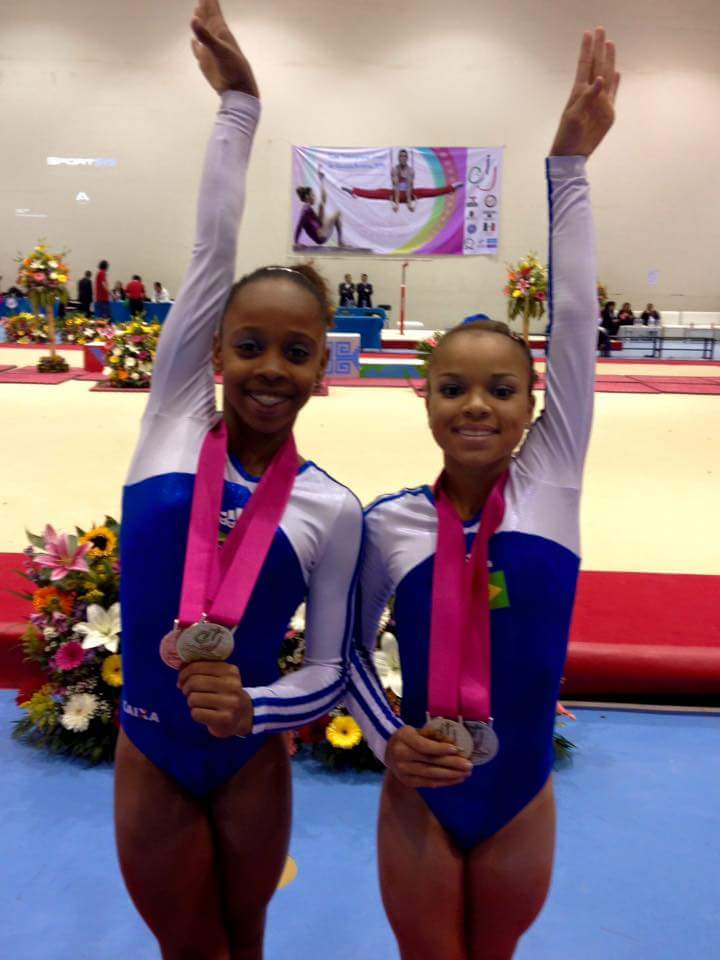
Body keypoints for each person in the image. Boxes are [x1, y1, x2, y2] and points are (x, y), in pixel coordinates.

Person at [347, 27, 619, 960]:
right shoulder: (387, 526)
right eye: (453, 387)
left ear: (533, 405)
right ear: (422, 398)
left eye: (502, 389)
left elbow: (575, 323)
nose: (476, 405)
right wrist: (385, 737)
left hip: (518, 794)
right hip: (420, 792)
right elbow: (347, 653)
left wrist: (569, 166)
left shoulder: (551, 485)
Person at [113, 5, 362, 959]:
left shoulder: (332, 509)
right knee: (190, 950)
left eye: (296, 352)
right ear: (213, 351)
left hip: (251, 757)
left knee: (245, 944)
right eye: (249, 344)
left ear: (323, 370)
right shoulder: (172, 424)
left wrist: (263, 708)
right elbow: (210, 251)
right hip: (153, 748)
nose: (269, 368)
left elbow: (329, 669)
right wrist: (240, 107)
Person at [294, 170, 345, 248]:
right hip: (320, 236)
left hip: (320, 231)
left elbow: (324, 198)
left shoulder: (308, 208)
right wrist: (296, 242)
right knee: (337, 213)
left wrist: (321, 181)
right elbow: (299, 226)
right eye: (313, 195)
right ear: (307, 197)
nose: (315, 197)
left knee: (322, 205)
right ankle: (340, 242)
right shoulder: (305, 210)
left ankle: (340, 242)